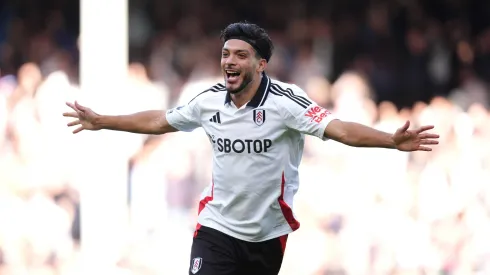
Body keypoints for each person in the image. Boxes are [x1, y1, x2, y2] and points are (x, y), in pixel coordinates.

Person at [63, 22, 439, 275]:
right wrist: (103, 120)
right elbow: (160, 121)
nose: (229, 61)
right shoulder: (208, 101)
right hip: (216, 229)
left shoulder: (288, 103)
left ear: (260, 64)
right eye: (226, 54)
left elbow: (339, 129)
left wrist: (391, 141)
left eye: (240, 55)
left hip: (266, 236)